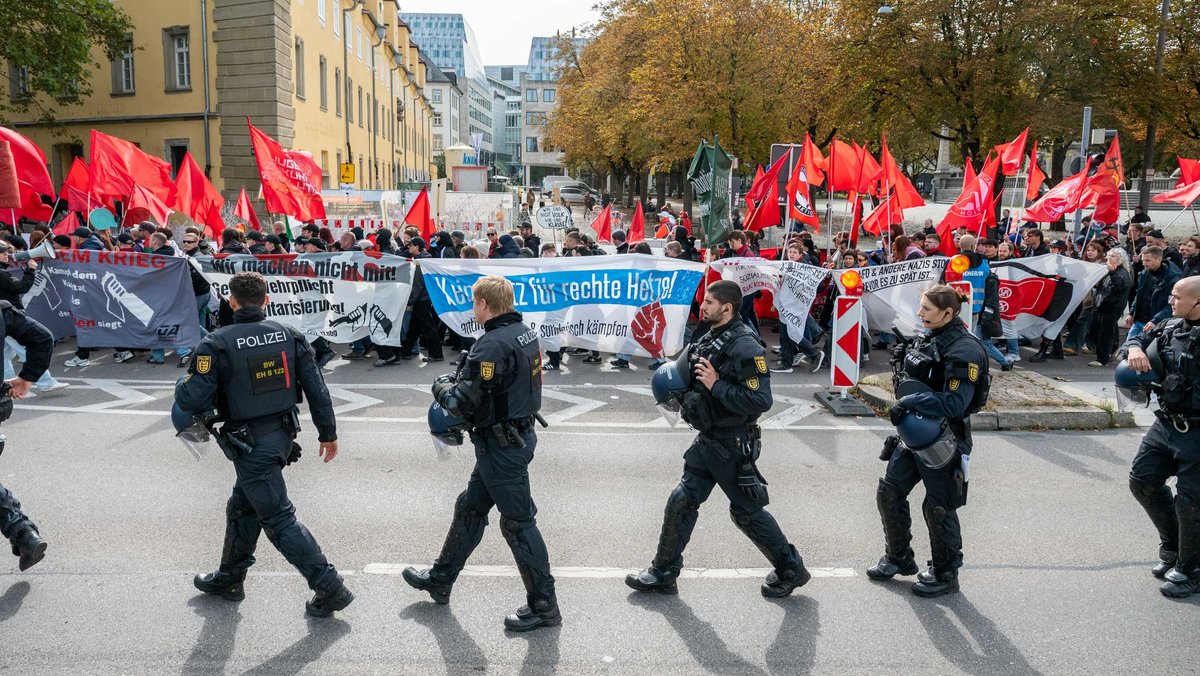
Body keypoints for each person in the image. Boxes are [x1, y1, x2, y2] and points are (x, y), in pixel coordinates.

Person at [175, 271, 353, 617]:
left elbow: (192, 398)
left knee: (279, 520)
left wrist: (184, 383)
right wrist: (328, 434)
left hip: (252, 445)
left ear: (232, 302)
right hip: (282, 437)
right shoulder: (289, 335)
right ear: (266, 301)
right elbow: (317, 389)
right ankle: (230, 577)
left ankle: (330, 587)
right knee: (242, 506)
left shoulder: (216, 342)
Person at [627, 280, 810, 598]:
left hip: (732, 443)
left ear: (727, 308)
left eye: (710, 302)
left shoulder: (746, 345)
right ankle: (663, 572)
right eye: (704, 301)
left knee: (747, 513)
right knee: (681, 501)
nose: (703, 306)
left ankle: (791, 569)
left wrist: (716, 385)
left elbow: (760, 400)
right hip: (709, 438)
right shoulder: (710, 334)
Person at [403, 276, 559, 631]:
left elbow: (461, 402)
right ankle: (441, 578)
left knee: (518, 524)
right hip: (511, 438)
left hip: (502, 446)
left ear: (484, 305)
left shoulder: (490, 345)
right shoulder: (523, 331)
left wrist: (440, 385)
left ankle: (545, 605)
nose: (473, 309)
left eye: (474, 303)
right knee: (470, 508)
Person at [870, 285, 989, 597]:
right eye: (920, 307)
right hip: (913, 434)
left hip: (946, 439)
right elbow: (914, 380)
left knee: (938, 507)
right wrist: (902, 361)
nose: (920, 313)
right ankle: (898, 558)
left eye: (926, 309)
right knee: (889, 493)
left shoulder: (965, 350)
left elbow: (955, 404)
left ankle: (946, 573)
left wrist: (909, 403)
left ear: (947, 313)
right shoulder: (928, 336)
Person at [1122, 276, 1200, 598]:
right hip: (1166, 423)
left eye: (1177, 296)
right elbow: (1134, 337)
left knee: (1191, 503)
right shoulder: (1168, 326)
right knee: (1142, 480)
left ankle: (1191, 568)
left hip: (1197, 431)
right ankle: (1172, 547)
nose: (1170, 300)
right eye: (1170, 294)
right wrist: (1136, 349)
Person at [1088, 248, 1133, 367]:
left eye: (1112, 256)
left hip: (1112, 306)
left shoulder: (1121, 272)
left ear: (1120, 259)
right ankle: (1113, 348)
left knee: (1105, 333)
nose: (1109, 259)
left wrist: (1112, 272)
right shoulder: (1110, 271)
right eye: (1108, 256)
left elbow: (1120, 287)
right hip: (1102, 305)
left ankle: (1102, 358)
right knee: (1099, 330)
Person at [1127, 246, 1183, 338]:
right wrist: (1131, 313)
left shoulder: (1172, 278)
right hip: (1139, 321)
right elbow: (1139, 294)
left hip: (1156, 325)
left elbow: (1171, 304)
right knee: (1128, 348)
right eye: (1143, 260)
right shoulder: (1145, 272)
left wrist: (1155, 321)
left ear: (1159, 259)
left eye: (1148, 260)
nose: (1144, 263)